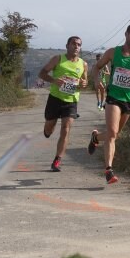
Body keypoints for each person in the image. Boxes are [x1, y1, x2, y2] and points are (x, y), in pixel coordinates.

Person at [87, 24, 130, 184]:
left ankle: (95, 138)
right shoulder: (112, 52)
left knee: (114, 135)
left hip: (129, 100)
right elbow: (96, 68)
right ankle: (108, 170)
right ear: (126, 34)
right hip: (113, 98)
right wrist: (97, 81)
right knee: (112, 132)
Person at [38, 36, 88, 172]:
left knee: (65, 129)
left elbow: (84, 82)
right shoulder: (58, 59)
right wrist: (54, 80)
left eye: (79, 45)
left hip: (71, 101)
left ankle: (57, 160)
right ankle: (47, 129)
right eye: (73, 44)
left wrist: (84, 83)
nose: (76, 46)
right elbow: (42, 73)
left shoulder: (83, 64)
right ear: (67, 45)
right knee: (50, 126)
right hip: (55, 98)